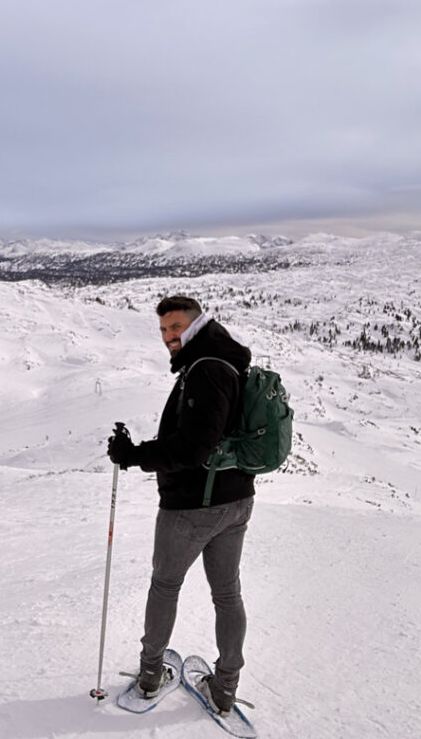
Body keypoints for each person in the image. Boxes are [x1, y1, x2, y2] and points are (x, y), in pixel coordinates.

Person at [107, 295, 255, 715]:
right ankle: (223, 687)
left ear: (195, 324)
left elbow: (192, 448)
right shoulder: (224, 358)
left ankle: (151, 675)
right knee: (228, 593)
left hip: (194, 503)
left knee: (165, 586)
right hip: (237, 499)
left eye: (175, 328)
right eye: (163, 330)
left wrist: (133, 455)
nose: (169, 337)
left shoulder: (206, 369)